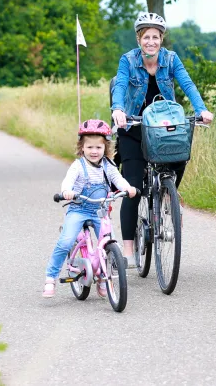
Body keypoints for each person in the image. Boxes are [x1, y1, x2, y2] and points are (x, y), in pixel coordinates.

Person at [110, 12, 213, 264]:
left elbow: (187, 85)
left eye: (156, 37)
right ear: (139, 39)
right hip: (134, 127)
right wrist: (118, 109)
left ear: (161, 39)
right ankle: (127, 251)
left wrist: (201, 109)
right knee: (132, 187)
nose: (151, 42)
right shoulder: (128, 60)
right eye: (146, 37)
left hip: (163, 127)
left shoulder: (171, 59)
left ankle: (167, 194)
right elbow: (121, 85)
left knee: (180, 155)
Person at [43, 119, 137, 298]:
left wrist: (128, 188)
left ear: (105, 148)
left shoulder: (108, 166)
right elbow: (68, 181)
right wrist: (67, 191)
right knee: (66, 241)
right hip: (78, 209)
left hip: (99, 211)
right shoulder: (78, 166)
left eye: (98, 148)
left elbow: (118, 179)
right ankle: (50, 278)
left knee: (111, 244)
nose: (94, 151)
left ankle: (103, 277)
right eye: (89, 147)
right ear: (82, 148)